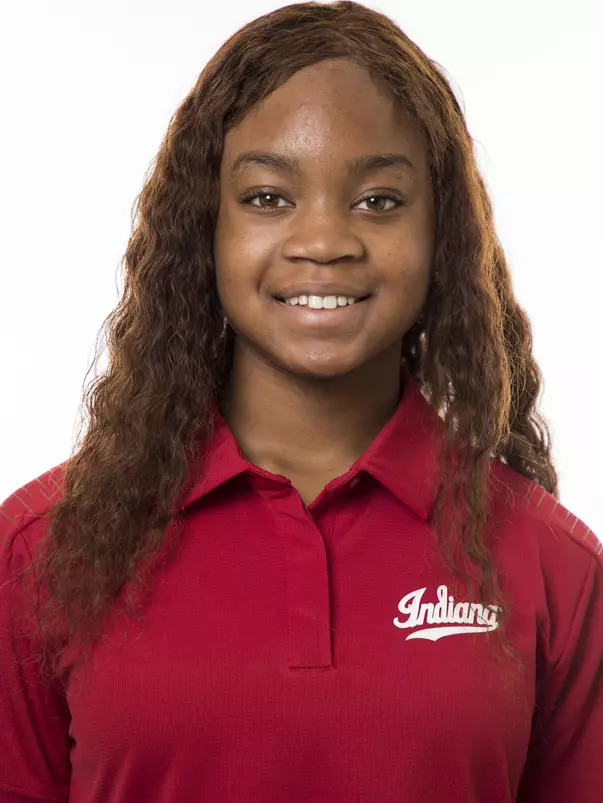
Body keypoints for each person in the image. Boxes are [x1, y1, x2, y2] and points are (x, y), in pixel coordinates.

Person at [1, 1, 601, 801]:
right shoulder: (42, 551)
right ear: (203, 230)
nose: (323, 240)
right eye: (268, 198)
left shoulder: (552, 563)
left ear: (442, 236)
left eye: (378, 200)